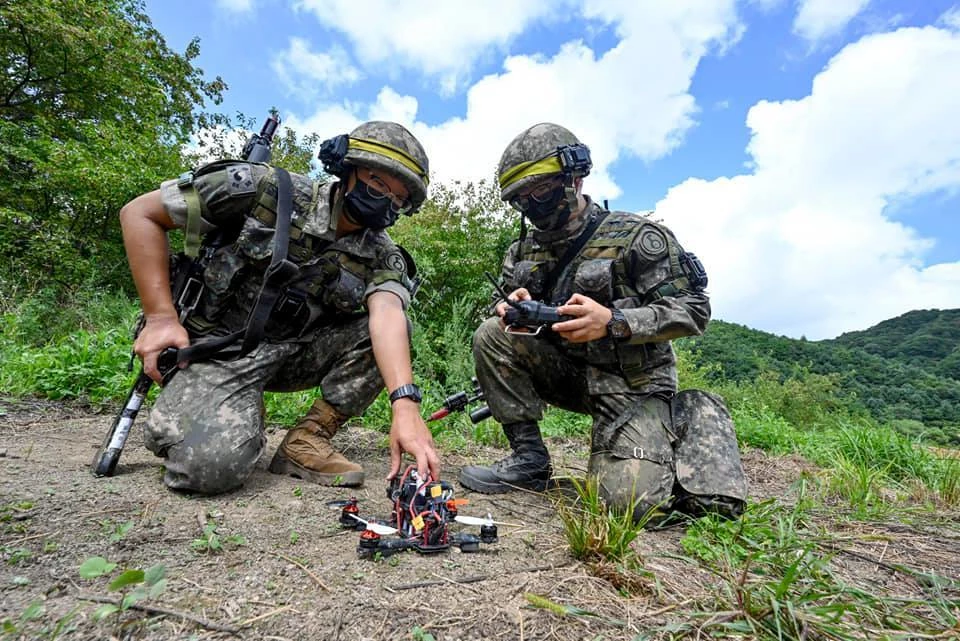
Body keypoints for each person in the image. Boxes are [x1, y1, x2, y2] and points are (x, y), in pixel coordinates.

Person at [119, 121, 439, 495]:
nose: (386, 200)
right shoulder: (263, 189)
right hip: (213, 352)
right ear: (346, 170)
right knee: (210, 470)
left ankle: (307, 440)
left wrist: (405, 405)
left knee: (395, 328)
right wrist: (160, 318)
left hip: (290, 353)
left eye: (398, 198)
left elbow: (386, 315)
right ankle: (230, 408)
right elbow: (140, 214)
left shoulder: (382, 254)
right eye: (378, 184)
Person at [459, 123, 747, 521]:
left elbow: (694, 309)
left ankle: (687, 416)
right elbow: (505, 305)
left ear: (573, 178)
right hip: (568, 375)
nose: (531, 204)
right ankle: (530, 460)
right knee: (492, 334)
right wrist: (512, 308)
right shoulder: (522, 249)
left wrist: (614, 321)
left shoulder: (637, 237)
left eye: (539, 189)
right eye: (520, 198)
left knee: (628, 508)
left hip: (632, 386)